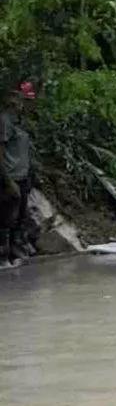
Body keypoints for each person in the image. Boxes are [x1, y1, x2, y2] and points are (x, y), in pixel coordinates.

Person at [0, 82, 37, 267]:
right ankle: (3, 256)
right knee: (7, 218)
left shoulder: (21, 122)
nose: (25, 105)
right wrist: (7, 180)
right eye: (23, 101)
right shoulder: (5, 121)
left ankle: (15, 254)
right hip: (10, 177)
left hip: (23, 176)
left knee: (19, 217)